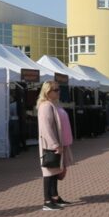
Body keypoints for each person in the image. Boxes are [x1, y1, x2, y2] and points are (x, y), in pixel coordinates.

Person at [37, 81, 74, 210]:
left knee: (55, 171)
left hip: (59, 143)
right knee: (49, 172)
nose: (59, 92)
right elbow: (46, 128)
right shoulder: (46, 106)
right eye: (56, 90)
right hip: (51, 145)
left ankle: (55, 197)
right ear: (48, 92)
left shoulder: (54, 104)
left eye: (59, 89)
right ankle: (47, 201)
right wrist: (55, 144)